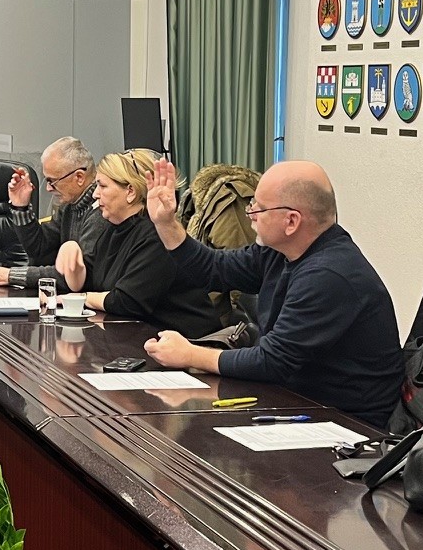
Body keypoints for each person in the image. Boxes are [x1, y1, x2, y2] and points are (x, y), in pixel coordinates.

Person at [142, 158, 403, 427]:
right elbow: (213, 270)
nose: (250, 213)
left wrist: (190, 354)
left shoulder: (329, 274)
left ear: (291, 221)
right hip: (294, 400)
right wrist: (166, 223)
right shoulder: (279, 251)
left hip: (348, 422)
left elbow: (272, 361)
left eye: (258, 207)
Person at [55, 151, 223, 338]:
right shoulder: (111, 230)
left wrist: (81, 298)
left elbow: (126, 301)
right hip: (140, 338)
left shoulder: (156, 235)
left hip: (189, 343)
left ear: (130, 192)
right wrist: (73, 255)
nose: (95, 194)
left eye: (102, 186)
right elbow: (87, 281)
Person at [0, 137, 104, 290]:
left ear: (79, 177)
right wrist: (21, 207)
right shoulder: (69, 206)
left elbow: (78, 277)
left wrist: (10, 275)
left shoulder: (101, 211)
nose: (48, 188)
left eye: (52, 181)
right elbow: (39, 249)